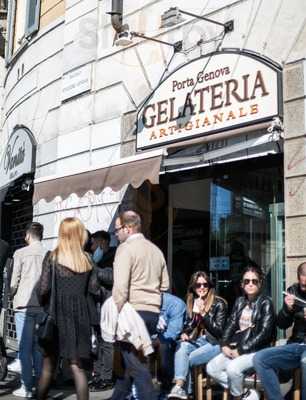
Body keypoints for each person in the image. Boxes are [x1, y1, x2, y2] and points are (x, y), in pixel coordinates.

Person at [36, 217, 99, 400]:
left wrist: (45, 305)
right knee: (77, 367)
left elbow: (43, 288)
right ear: (80, 235)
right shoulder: (87, 259)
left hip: (56, 315)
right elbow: (94, 289)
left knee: (48, 368)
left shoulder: (52, 257)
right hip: (80, 317)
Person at [111, 210, 169, 400]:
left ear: (128, 228)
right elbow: (165, 285)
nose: (116, 234)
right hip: (152, 312)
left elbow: (120, 288)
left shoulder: (125, 249)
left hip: (132, 311)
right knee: (130, 362)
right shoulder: (156, 250)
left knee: (136, 365)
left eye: (117, 230)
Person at [207, 265, 275, 400]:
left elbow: (264, 334)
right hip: (237, 346)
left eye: (254, 281)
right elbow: (230, 325)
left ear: (260, 283)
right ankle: (245, 391)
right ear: (242, 284)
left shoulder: (266, 303)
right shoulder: (240, 301)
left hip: (257, 350)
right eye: (246, 281)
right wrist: (224, 344)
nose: (250, 284)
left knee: (233, 369)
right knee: (211, 368)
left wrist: (241, 350)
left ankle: (238, 396)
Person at [168, 271, 227, 400]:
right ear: (193, 288)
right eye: (198, 285)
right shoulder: (192, 302)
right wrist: (185, 332)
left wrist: (204, 313)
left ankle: (186, 392)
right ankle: (179, 388)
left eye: (205, 285)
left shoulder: (219, 303)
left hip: (216, 343)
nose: (202, 288)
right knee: (181, 347)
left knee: (185, 359)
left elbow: (219, 332)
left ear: (209, 286)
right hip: (200, 341)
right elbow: (190, 325)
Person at [254, 261, 306, 400]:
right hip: (297, 344)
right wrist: (287, 310)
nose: (305, 288)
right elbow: (282, 324)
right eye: (303, 285)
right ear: (298, 279)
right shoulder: (293, 291)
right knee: (260, 359)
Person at [10, 222, 46, 398]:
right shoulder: (48, 253)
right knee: (39, 347)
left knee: (24, 348)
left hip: (24, 305)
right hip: (42, 307)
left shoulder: (20, 253)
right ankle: (41, 383)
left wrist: (11, 294)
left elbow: (13, 281)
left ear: (27, 235)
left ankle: (26, 387)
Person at [90, 230, 117, 392]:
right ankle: (98, 375)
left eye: (94, 243)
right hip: (96, 305)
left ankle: (106, 378)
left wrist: (94, 267)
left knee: (106, 344)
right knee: (98, 343)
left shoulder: (115, 256)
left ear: (102, 243)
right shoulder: (96, 258)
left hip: (108, 305)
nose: (92, 247)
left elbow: (112, 277)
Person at [157, 292, 186, 393]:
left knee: (164, 346)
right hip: (154, 335)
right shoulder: (143, 302)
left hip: (174, 338)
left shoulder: (175, 303)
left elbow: (173, 333)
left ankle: (166, 387)